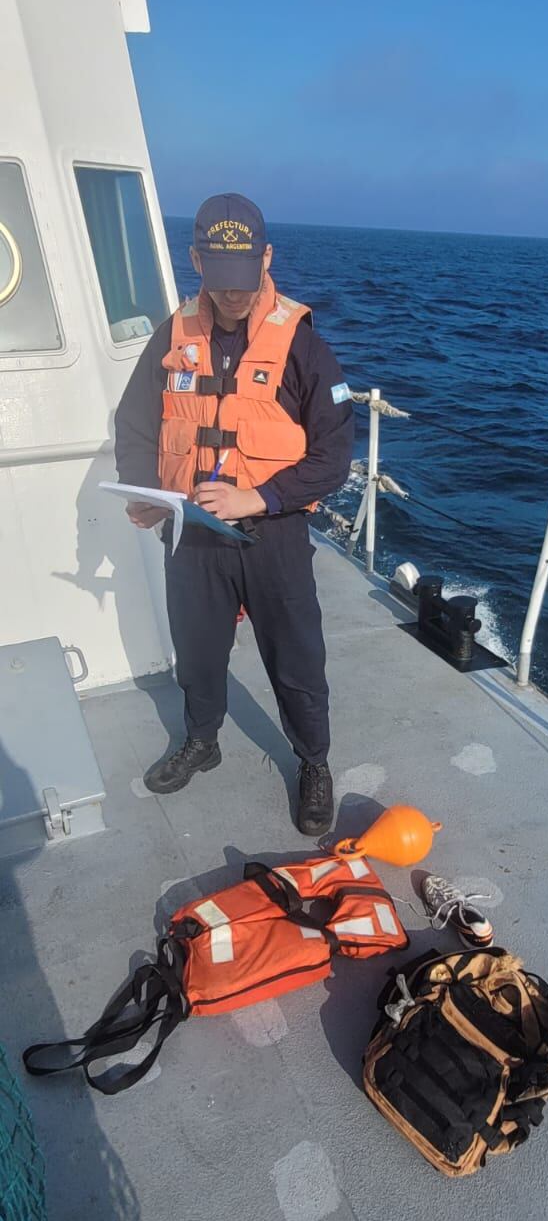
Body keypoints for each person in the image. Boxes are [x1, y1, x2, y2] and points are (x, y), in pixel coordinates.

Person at [114, 193, 354, 836]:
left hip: (271, 536)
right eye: (218, 281)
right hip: (191, 535)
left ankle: (314, 763)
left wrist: (262, 497)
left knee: (296, 658)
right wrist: (145, 492)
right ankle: (202, 740)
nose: (232, 296)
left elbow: (334, 455)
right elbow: (135, 422)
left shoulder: (302, 346)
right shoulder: (173, 333)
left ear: (267, 258)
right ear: (195, 261)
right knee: (196, 654)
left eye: (244, 280)